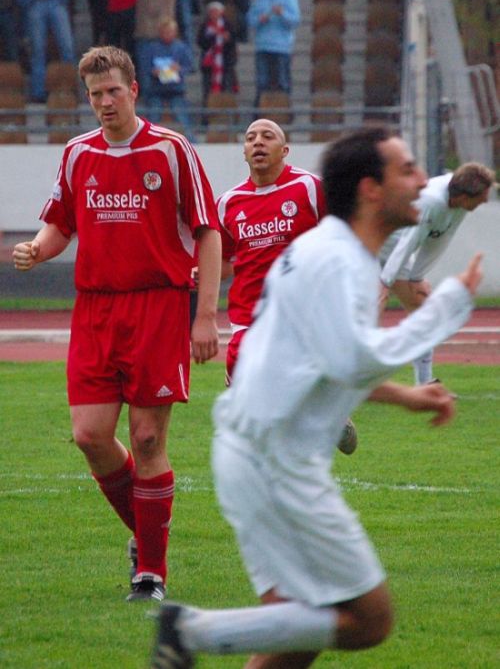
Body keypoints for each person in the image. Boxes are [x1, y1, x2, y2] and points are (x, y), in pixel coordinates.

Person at [150, 126, 483, 668]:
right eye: (407, 170)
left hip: (256, 453)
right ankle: (191, 629)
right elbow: (351, 360)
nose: (422, 180)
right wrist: (446, 307)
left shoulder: (327, 250)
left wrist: (408, 397)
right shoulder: (337, 261)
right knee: (370, 620)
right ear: (371, 189)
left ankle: (190, 632)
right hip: (275, 465)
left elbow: (329, 362)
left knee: (298, 631)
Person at [12, 45, 221, 602]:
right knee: (89, 435)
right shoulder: (78, 153)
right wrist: (37, 248)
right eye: (95, 94)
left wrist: (206, 316)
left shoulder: (171, 149)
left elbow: (208, 231)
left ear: (134, 91)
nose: (105, 102)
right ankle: (149, 536)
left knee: (147, 439)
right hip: (96, 310)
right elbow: (61, 224)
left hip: (158, 306)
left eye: (112, 91)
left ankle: (150, 573)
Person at [217, 116, 356, 453]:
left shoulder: (310, 188)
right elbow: (222, 260)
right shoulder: (228, 203)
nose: (258, 142)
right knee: (240, 370)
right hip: (249, 310)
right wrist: (199, 274)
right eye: (251, 137)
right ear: (244, 152)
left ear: (285, 150)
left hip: (303, 306)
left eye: (268, 136)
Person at [379, 162, 496, 385]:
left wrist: (416, 277)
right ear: (465, 195)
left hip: (394, 248)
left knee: (422, 308)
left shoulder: (460, 204)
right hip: (377, 242)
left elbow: (441, 238)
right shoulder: (431, 201)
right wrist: (385, 282)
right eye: (482, 196)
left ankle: (424, 383)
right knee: (370, 315)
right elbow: (409, 242)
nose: (485, 201)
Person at [132, 0, 180, 107]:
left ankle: (167, 107)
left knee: (167, 79)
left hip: (165, 41)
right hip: (145, 38)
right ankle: (149, 108)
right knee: (146, 77)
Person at [247, 0, 300, 107]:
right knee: (262, 83)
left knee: (282, 82)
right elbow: (250, 20)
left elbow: (295, 20)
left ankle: (284, 111)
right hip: (263, 46)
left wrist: (282, 13)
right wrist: (260, 19)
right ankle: (260, 112)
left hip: (281, 47)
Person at [146, 16, 196, 143]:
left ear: (175, 32)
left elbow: (190, 66)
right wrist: (153, 72)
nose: (167, 35)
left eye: (170, 32)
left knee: (182, 116)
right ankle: (147, 141)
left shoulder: (181, 47)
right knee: (153, 115)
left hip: (176, 89)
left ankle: (191, 141)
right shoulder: (152, 48)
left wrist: (180, 69)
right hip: (157, 89)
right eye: (165, 32)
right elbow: (146, 67)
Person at [197, 0, 238, 108]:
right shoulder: (205, 26)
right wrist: (211, 37)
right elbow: (201, 43)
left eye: (216, 11)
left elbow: (233, 42)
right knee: (208, 91)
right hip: (209, 64)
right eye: (212, 12)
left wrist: (227, 39)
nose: (214, 14)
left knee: (226, 89)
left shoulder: (228, 26)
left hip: (225, 64)